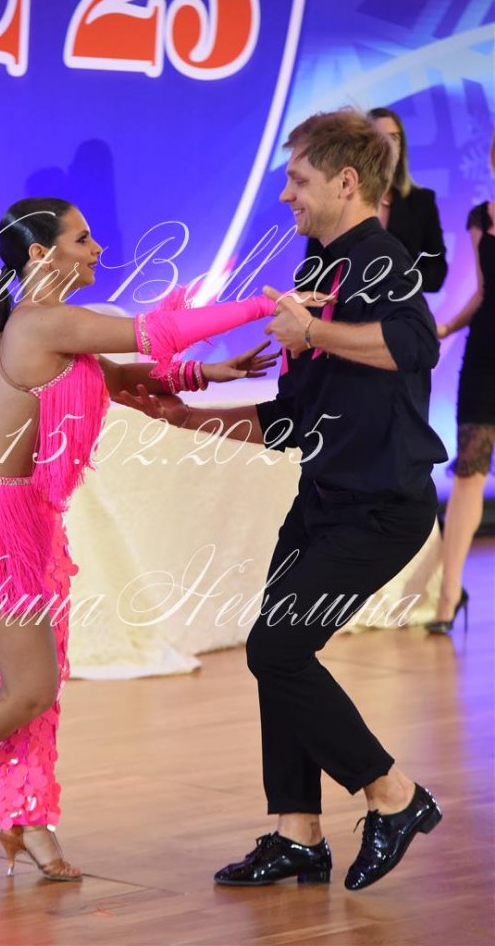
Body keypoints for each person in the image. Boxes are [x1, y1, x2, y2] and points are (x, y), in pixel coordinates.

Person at [0, 197, 296, 878]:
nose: (96, 249)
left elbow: (117, 377)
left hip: (30, 516)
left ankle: (28, 819)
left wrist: (207, 374)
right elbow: (158, 331)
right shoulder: (42, 322)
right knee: (28, 689)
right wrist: (263, 304)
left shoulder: (59, 326)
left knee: (40, 683)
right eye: (82, 238)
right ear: (41, 253)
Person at [120, 110, 448, 891]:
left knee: (276, 648)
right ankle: (298, 832)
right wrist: (187, 418)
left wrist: (315, 332)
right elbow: (293, 418)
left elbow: (418, 345)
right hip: (323, 498)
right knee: (279, 652)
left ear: (346, 181)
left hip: (382, 508)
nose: (285, 195)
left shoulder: (381, 259)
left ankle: (393, 794)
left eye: (298, 179)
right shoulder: (322, 268)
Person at [428, 167, 495, 633]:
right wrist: (448, 327)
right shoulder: (480, 217)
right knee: (470, 471)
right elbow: (485, 291)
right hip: (485, 355)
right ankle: (448, 595)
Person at [304, 106, 447, 294]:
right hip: (343, 305)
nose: (387, 144)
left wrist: (396, 276)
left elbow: (436, 272)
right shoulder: (336, 196)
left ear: (402, 146)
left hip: (398, 305)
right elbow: (312, 272)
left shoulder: (422, 201)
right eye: (378, 137)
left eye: (394, 137)